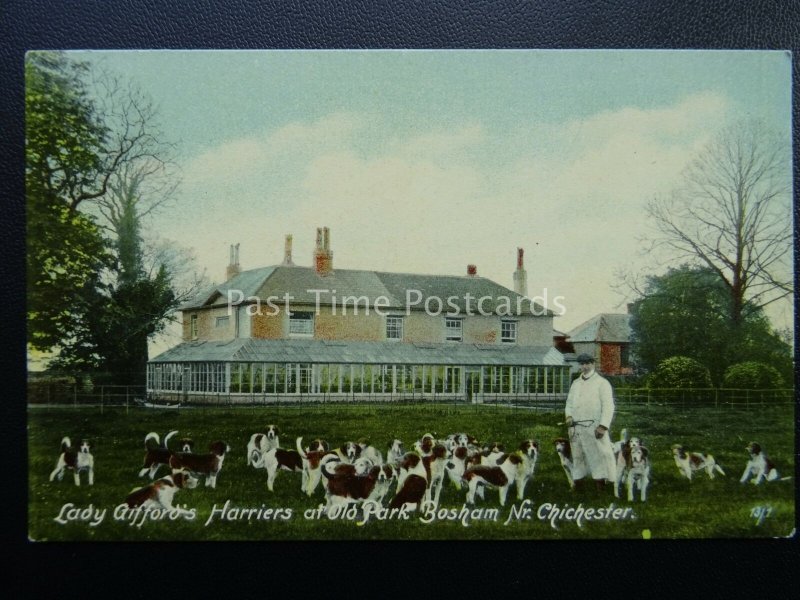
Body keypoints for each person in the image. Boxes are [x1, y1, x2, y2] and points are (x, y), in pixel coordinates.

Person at [564, 353, 616, 492]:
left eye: (587, 363)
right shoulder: (576, 383)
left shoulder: (602, 383)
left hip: (594, 426)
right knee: (577, 455)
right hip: (576, 427)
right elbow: (569, 403)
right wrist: (568, 416)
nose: (584, 367)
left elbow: (608, 406)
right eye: (581, 364)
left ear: (593, 364)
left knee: (597, 455)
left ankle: (601, 486)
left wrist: (603, 426)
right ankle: (578, 485)